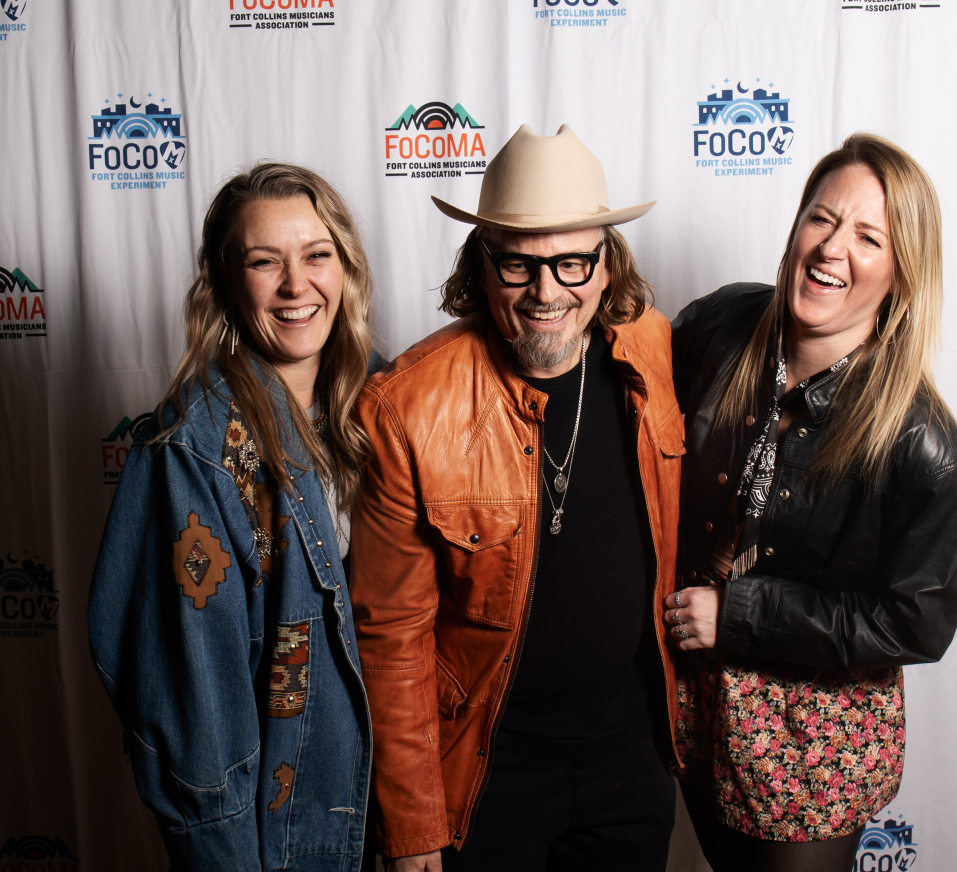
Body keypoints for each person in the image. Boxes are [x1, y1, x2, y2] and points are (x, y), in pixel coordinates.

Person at [350, 124, 684, 872]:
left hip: (631, 760)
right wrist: (412, 827)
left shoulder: (651, 352)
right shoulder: (408, 408)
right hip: (490, 769)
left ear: (607, 265)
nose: (547, 292)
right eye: (518, 266)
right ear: (481, 264)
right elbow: (390, 635)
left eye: (572, 262)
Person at [666, 133, 957, 871]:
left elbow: (915, 622)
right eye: (821, 218)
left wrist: (738, 614)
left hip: (810, 734)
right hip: (692, 692)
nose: (832, 248)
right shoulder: (717, 327)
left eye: (869, 236)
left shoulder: (925, 445)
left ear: (902, 274)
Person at [88, 163, 383, 871]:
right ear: (224, 281)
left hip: (386, 816)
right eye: (263, 262)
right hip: (281, 843)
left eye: (316, 255)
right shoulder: (197, 450)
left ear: (345, 267)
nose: (295, 285)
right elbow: (194, 718)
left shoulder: (386, 403)